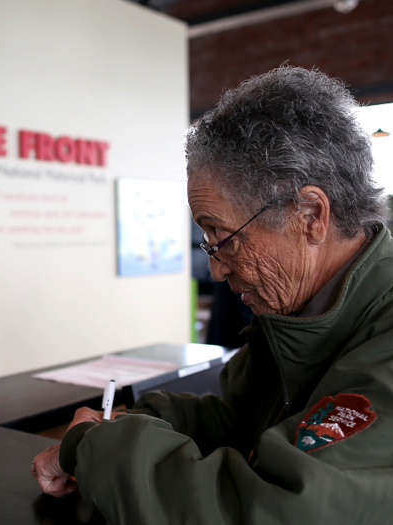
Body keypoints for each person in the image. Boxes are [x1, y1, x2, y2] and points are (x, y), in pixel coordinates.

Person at [32, 66, 393, 523]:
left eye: (222, 237)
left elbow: (272, 508)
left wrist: (95, 448)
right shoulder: (298, 311)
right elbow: (241, 419)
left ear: (310, 215)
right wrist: (133, 421)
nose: (217, 269)